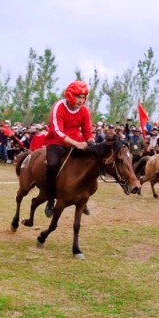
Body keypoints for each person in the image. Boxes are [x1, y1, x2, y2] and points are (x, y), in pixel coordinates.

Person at [43, 80, 95, 218]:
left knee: (88, 164)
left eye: (83, 97)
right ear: (70, 95)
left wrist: (91, 142)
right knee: (52, 164)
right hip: (56, 142)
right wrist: (76, 144)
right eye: (78, 96)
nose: (81, 100)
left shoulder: (84, 111)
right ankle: (49, 199)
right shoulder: (58, 107)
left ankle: (83, 198)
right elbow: (57, 131)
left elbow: (87, 131)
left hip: (76, 141)